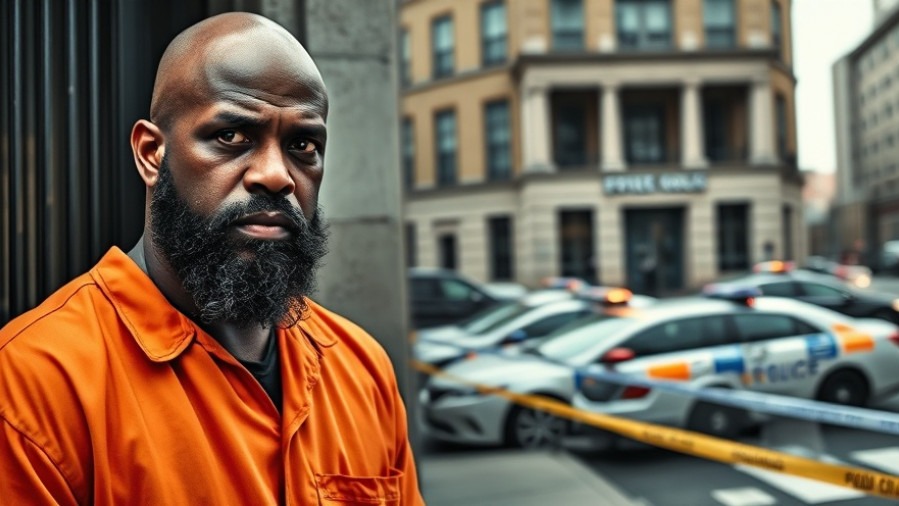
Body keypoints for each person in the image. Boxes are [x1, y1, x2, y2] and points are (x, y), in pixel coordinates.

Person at [0, 12, 424, 505]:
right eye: (232, 136)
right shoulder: (32, 386)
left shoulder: (363, 369)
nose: (276, 176)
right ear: (151, 154)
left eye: (302, 145)